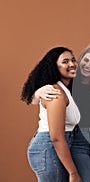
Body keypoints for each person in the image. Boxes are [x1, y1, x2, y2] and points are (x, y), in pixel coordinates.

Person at [31, 47, 90, 182]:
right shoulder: (69, 83)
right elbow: (36, 100)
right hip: (78, 138)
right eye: (85, 60)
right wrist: (38, 92)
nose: (88, 65)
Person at [21, 47, 81, 182]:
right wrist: (73, 172)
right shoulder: (56, 93)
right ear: (54, 67)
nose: (71, 64)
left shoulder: (65, 89)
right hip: (49, 148)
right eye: (65, 62)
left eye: (73, 60)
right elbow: (56, 137)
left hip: (55, 148)